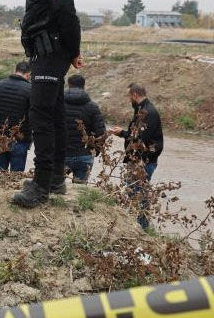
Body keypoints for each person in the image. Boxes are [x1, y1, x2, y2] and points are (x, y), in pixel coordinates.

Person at [4, 0, 83, 208]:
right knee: (54, 113)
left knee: (40, 115)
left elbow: (68, 16)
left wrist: (73, 51)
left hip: (51, 53)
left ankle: (41, 186)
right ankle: (54, 179)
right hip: (44, 52)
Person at [111, 83, 164, 229]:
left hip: (143, 161)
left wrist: (122, 133)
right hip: (139, 160)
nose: (129, 99)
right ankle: (138, 226)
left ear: (134, 95)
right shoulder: (142, 109)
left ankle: (140, 227)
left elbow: (139, 139)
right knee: (137, 194)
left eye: (129, 96)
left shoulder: (147, 112)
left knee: (138, 195)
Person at [63, 74, 106, 183]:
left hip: (61, 154)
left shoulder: (59, 104)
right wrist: (95, 151)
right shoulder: (92, 107)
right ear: (84, 86)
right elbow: (101, 133)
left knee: (55, 189)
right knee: (79, 192)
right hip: (84, 155)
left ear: (69, 85)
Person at [0, 61, 32, 171]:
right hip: (19, 139)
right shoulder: (30, 90)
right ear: (28, 74)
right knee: (16, 175)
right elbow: (32, 116)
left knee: (0, 172)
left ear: (15, 70)